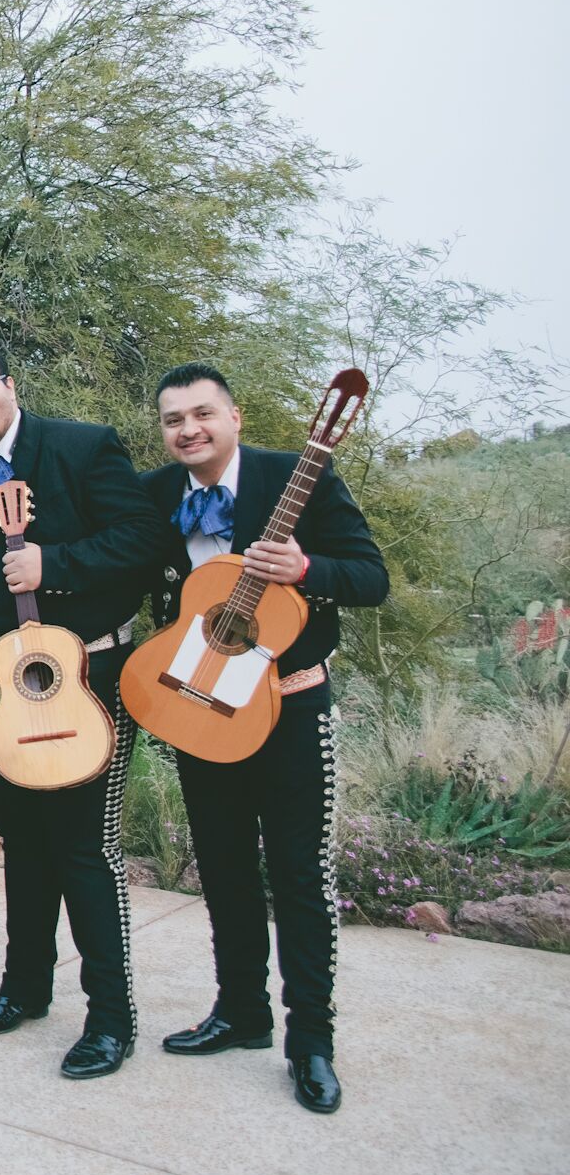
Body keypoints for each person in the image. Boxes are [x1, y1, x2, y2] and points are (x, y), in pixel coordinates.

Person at [142, 362, 389, 1114]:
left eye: (202, 413)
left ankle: (310, 1040)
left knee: (300, 877)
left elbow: (372, 576)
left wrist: (308, 567)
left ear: (235, 415)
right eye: (174, 419)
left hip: (289, 708)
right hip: (202, 710)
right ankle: (241, 1009)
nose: (189, 428)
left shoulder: (298, 477)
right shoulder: (158, 495)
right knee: (222, 868)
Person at [0, 338, 165, 1079]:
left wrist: (53, 563)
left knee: (84, 847)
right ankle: (25, 986)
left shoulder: (82, 448)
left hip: (80, 674)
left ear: (9, 383)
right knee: (22, 838)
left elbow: (143, 540)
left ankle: (111, 1018)